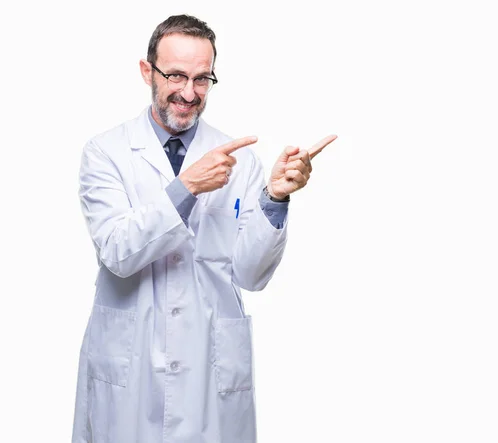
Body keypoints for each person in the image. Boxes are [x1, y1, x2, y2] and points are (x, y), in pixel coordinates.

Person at [71, 14, 336, 443]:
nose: (188, 93)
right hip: (130, 368)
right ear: (147, 71)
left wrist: (275, 198)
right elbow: (118, 252)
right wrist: (186, 187)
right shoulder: (107, 153)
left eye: (202, 79)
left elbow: (250, 275)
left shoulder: (240, 160)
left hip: (208, 372)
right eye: (175, 75)